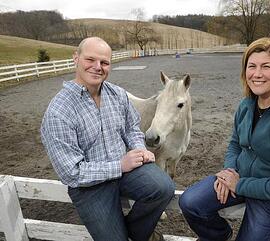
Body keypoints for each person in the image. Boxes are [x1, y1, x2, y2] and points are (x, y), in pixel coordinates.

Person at [179, 37, 270, 241]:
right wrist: (229, 172)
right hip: (239, 176)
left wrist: (238, 185)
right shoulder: (246, 105)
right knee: (190, 202)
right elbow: (235, 144)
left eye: (266, 66)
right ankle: (219, 235)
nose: (257, 74)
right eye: (252, 66)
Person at [41, 37, 174, 241]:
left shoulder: (117, 95)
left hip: (126, 171)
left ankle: (138, 233)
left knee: (163, 187)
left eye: (104, 62)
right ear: (76, 58)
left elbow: (132, 128)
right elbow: (71, 173)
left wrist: (140, 148)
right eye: (90, 59)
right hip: (89, 186)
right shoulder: (59, 112)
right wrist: (119, 166)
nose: (97, 67)